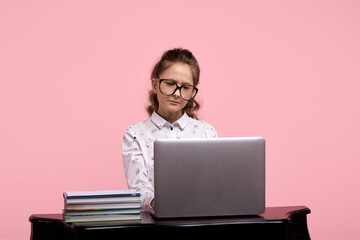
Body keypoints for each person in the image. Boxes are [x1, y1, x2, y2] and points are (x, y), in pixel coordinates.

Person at [122, 48, 217, 211]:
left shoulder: (206, 132)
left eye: (186, 87)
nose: (177, 94)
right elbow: (139, 188)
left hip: (200, 219)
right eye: (170, 84)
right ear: (155, 84)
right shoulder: (135, 134)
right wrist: (164, 203)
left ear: (193, 91)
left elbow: (214, 182)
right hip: (156, 226)